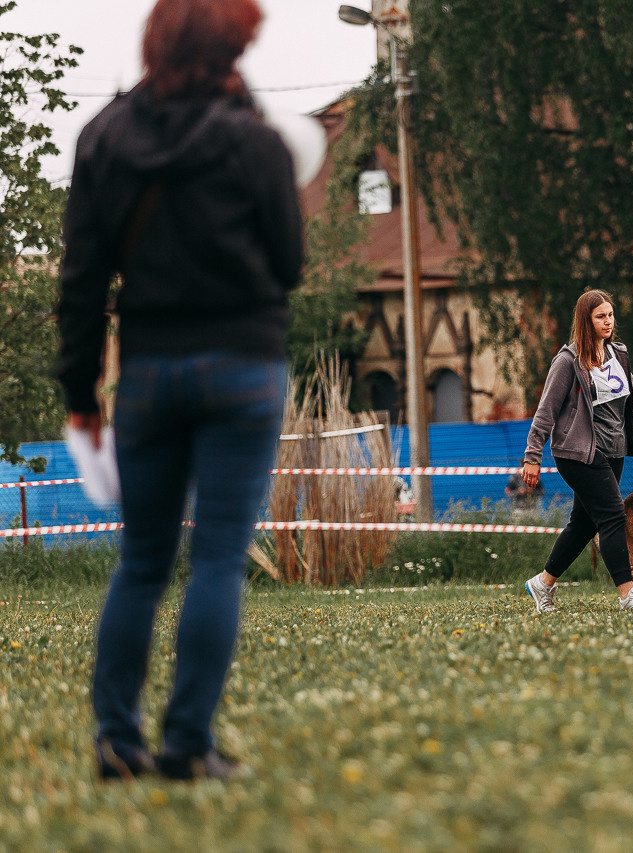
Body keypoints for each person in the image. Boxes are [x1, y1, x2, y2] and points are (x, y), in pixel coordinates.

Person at [57, 0, 302, 781]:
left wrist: (79, 390)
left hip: (150, 373)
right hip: (244, 365)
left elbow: (81, 281)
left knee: (142, 560)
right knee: (220, 557)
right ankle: (187, 743)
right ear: (234, 46)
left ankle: (116, 740)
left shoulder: (104, 139)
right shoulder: (254, 140)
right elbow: (291, 263)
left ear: (153, 40)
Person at [521, 289, 633, 613]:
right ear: (586, 321)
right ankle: (629, 595)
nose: (608, 321)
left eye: (610, 315)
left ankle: (542, 585)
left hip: (613, 451)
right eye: (601, 316)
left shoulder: (618, 355)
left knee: (583, 524)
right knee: (613, 516)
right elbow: (546, 412)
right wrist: (532, 456)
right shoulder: (567, 361)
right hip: (577, 452)